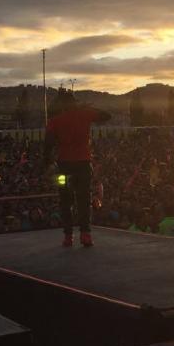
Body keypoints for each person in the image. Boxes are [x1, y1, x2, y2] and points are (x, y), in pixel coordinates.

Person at [44, 90, 111, 248]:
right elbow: (107, 116)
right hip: (83, 165)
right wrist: (85, 108)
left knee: (65, 200)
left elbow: (47, 144)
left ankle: (68, 236)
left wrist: (47, 163)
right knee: (84, 199)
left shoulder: (55, 121)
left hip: (63, 166)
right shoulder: (85, 114)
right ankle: (85, 234)